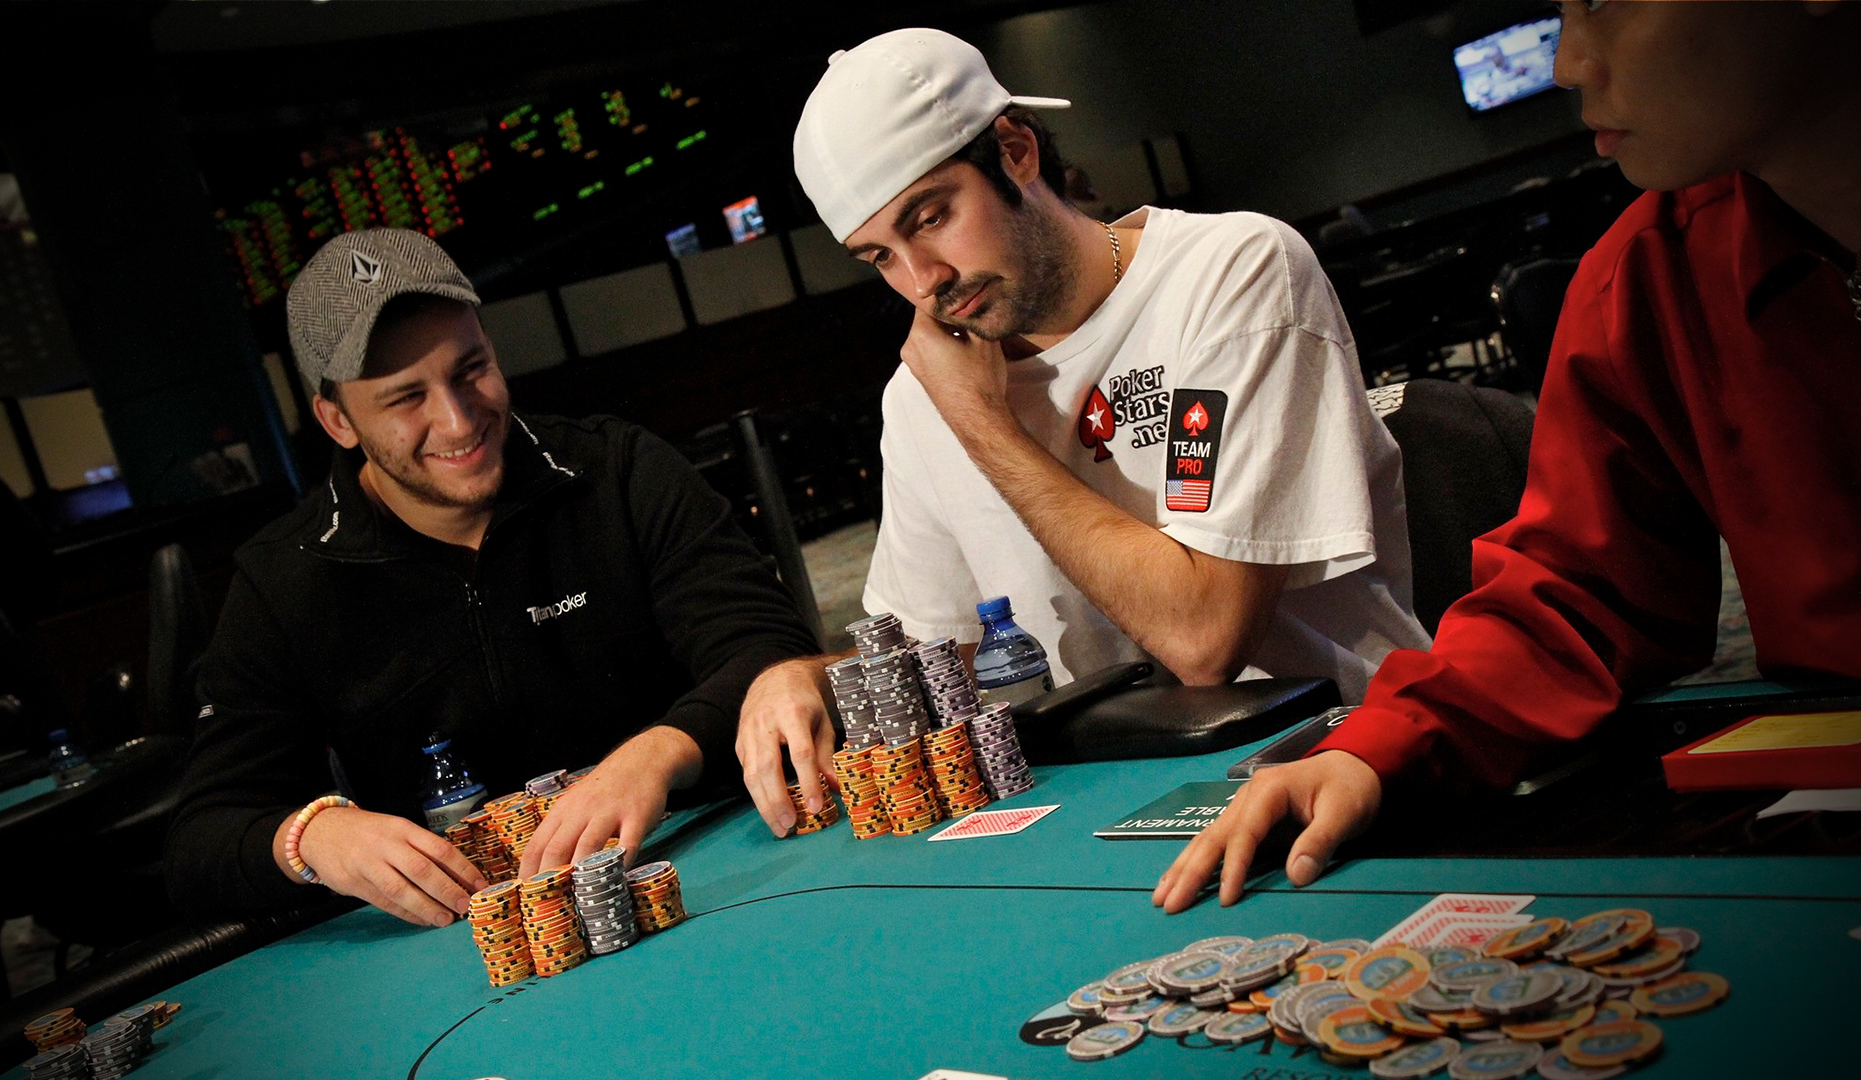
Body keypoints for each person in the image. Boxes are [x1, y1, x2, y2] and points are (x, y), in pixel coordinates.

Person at [1156, 0, 1861, 914]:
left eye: (1602, 1)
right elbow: (1576, 594)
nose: (1566, 62)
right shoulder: (1644, 276)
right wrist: (1375, 748)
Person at [736, 28, 1430, 837]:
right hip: (1106, 799)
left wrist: (981, 421)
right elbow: (942, 655)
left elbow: (1204, 639)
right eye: (879, 257)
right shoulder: (921, 394)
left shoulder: (1230, 272)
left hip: (1335, 763)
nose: (923, 281)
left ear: (1015, 152)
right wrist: (809, 677)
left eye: (931, 217)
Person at [167, 229, 817, 926]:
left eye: (470, 369)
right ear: (337, 421)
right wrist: (315, 835)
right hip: (471, 940)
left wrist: (658, 753)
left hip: (718, 875)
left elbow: (769, 651)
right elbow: (202, 842)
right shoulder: (283, 580)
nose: (457, 421)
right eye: (406, 397)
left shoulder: (620, 471)